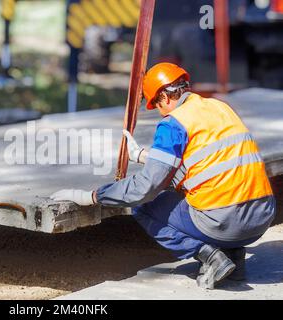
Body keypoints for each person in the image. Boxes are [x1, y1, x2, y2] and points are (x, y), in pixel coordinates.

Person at [50, 62, 276, 289]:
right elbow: (203, 162)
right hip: (261, 218)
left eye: (157, 104)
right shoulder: (219, 107)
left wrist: (91, 196)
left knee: (144, 205)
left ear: (164, 97)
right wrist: (141, 155)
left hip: (224, 222)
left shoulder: (174, 124)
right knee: (200, 188)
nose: (159, 111)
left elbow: (146, 187)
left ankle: (210, 256)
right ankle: (235, 256)